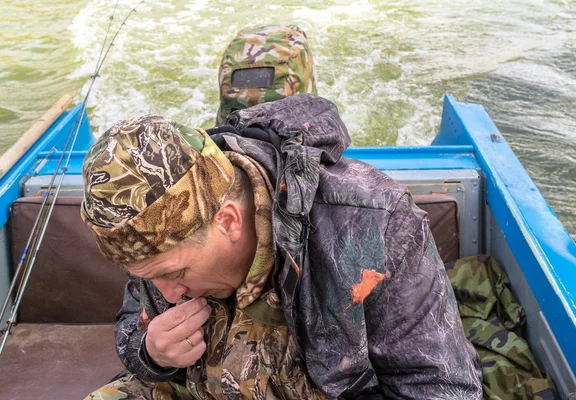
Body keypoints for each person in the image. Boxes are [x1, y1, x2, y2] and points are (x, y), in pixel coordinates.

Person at [81, 25, 483, 400]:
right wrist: (152, 353)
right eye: (150, 277)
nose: (167, 294)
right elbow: (133, 327)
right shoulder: (160, 227)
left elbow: (440, 385)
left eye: (176, 274)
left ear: (229, 221)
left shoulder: (374, 221)